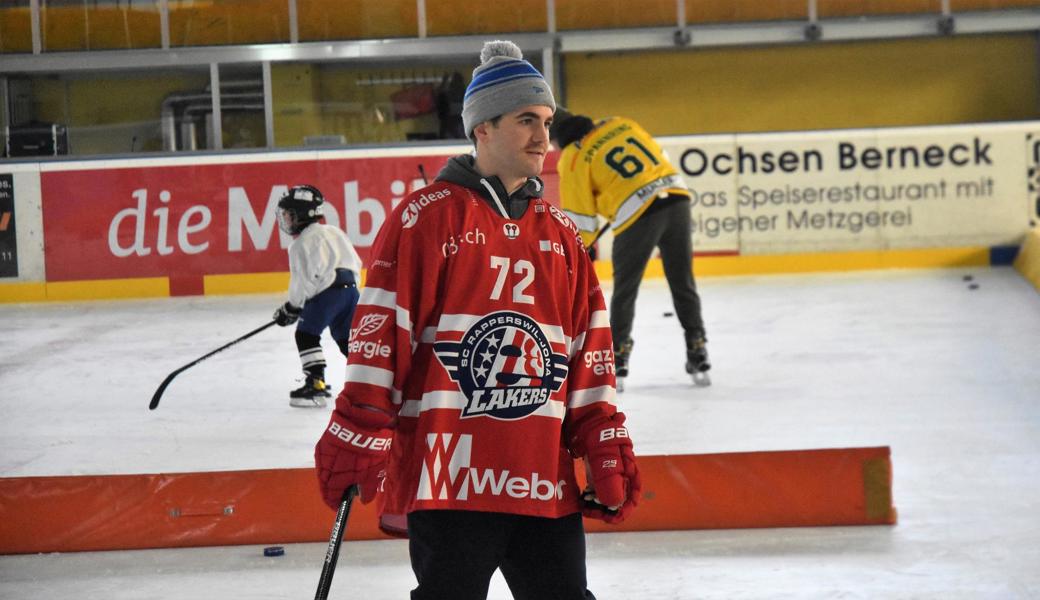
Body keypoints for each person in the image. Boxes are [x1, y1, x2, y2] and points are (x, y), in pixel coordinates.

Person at [313, 40, 641, 600]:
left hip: (541, 473)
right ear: (481, 129)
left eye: (546, 121)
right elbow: (380, 336)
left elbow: (589, 351)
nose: (543, 137)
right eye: (526, 121)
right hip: (450, 477)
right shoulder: (425, 218)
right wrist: (360, 424)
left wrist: (603, 438)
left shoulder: (561, 235)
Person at [549, 111, 711, 389]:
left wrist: (580, 250)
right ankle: (697, 346)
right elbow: (658, 155)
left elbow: (580, 217)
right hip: (676, 196)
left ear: (560, 138)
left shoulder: (573, 156)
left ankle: (618, 358)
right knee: (683, 282)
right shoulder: (620, 123)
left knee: (625, 290)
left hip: (638, 215)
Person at [272, 184, 362, 408]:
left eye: (289, 215)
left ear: (302, 215)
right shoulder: (334, 231)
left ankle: (316, 385)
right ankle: (370, 382)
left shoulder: (300, 244)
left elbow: (304, 281)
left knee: (306, 335)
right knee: (347, 341)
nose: (286, 220)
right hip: (351, 292)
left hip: (327, 295)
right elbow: (356, 263)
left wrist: (292, 308)